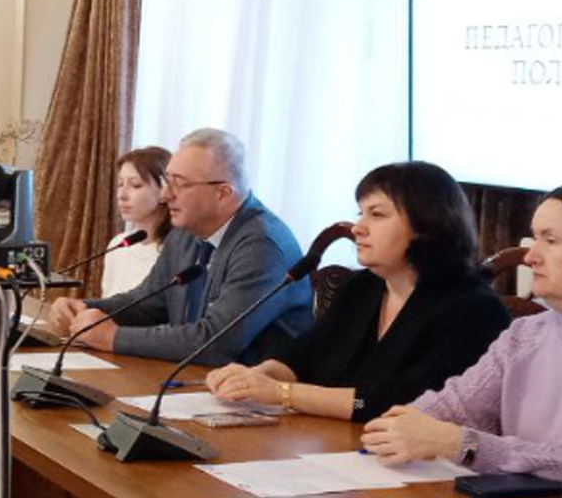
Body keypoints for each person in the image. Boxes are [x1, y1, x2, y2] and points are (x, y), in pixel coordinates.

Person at [361, 179, 562, 493]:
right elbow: (458, 405)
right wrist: (397, 426)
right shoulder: (526, 333)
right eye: (535, 238)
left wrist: (457, 443)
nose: (530, 256)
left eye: (551, 240)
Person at [205, 161, 509, 421]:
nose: (357, 228)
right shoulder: (364, 287)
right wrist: (255, 376)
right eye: (360, 213)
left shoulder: (473, 310)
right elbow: (302, 357)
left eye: (376, 214)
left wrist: (282, 393)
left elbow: (399, 403)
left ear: (426, 225)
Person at [44, 128, 311, 367]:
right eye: (167, 180)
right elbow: (147, 304)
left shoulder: (262, 246)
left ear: (223, 193)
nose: (165, 195)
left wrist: (112, 337)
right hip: (190, 379)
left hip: (256, 394)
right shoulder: (186, 231)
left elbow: (215, 342)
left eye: (179, 184)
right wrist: (83, 309)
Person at [100, 146, 171, 298]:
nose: (121, 195)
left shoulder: (178, 252)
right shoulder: (118, 245)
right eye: (120, 184)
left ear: (164, 190)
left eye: (135, 185)